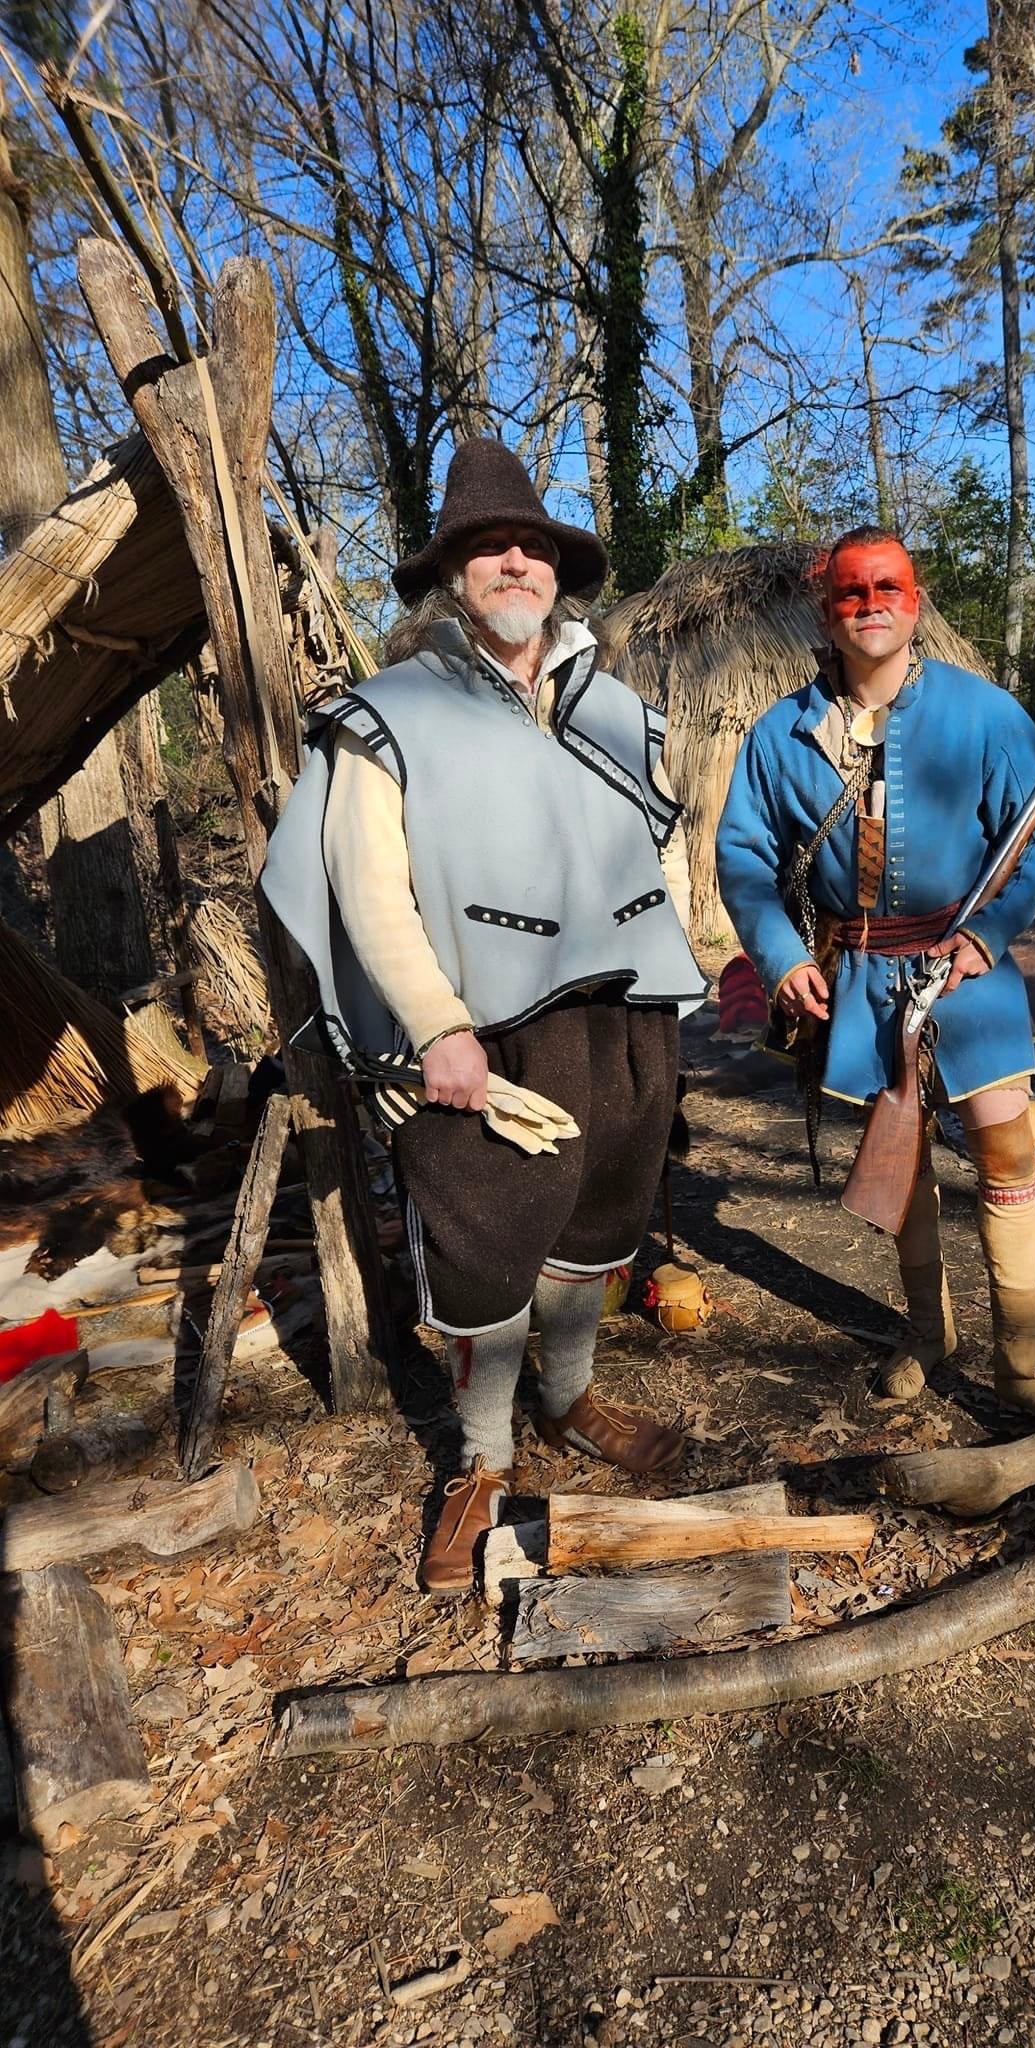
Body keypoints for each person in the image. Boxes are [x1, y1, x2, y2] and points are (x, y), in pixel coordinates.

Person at [262, 439, 707, 1593]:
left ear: (558, 569)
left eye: (533, 547)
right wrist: (435, 1026)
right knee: (485, 1248)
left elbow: (665, 835)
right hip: (481, 1038)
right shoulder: (392, 712)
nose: (516, 562)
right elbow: (365, 884)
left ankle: (570, 1400)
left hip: (620, 1019)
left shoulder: (617, 708)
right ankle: (484, 1458)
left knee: (595, 1228)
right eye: (488, 548)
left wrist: (674, 950)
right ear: (453, 573)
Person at [715, 527, 1035, 1445]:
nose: (871, 603)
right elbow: (743, 859)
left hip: (970, 972)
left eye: (888, 586)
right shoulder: (780, 733)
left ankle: (1023, 1361)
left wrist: (988, 934)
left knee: (1007, 1156)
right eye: (852, 592)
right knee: (904, 1160)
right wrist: (781, 956)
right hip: (858, 979)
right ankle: (931, 1335)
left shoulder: (987, 715)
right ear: (827, 609)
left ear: (915, 600)